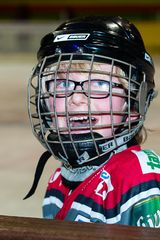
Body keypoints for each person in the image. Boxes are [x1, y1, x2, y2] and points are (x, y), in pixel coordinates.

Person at [25, 16, 160, 227]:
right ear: (46, 103)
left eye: (98, 82)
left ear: (135, 104)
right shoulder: (59, 179)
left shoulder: (138, 180)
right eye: (62, 83)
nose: (76, 98)